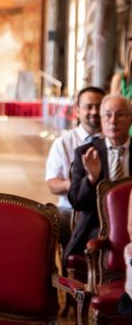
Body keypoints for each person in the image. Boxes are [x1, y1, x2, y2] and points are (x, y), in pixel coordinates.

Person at [66, 94, 132, 262]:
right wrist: (91, 178)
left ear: (130, 118)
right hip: (97, 226)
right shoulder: (86, 153)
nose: (113, 120)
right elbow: (76, 202)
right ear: (102, 120)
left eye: (120, 114)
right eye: (108, 115)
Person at [44, 86, 105, 247]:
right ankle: (59, 270)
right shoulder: (63, 143)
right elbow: (52, 183)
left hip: (106, 211)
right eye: (88, 107)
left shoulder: (113, 140)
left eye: (99, 106)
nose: (94, 111)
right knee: (46, 223)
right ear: (77, 111)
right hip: (69, 209)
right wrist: (76, 186)